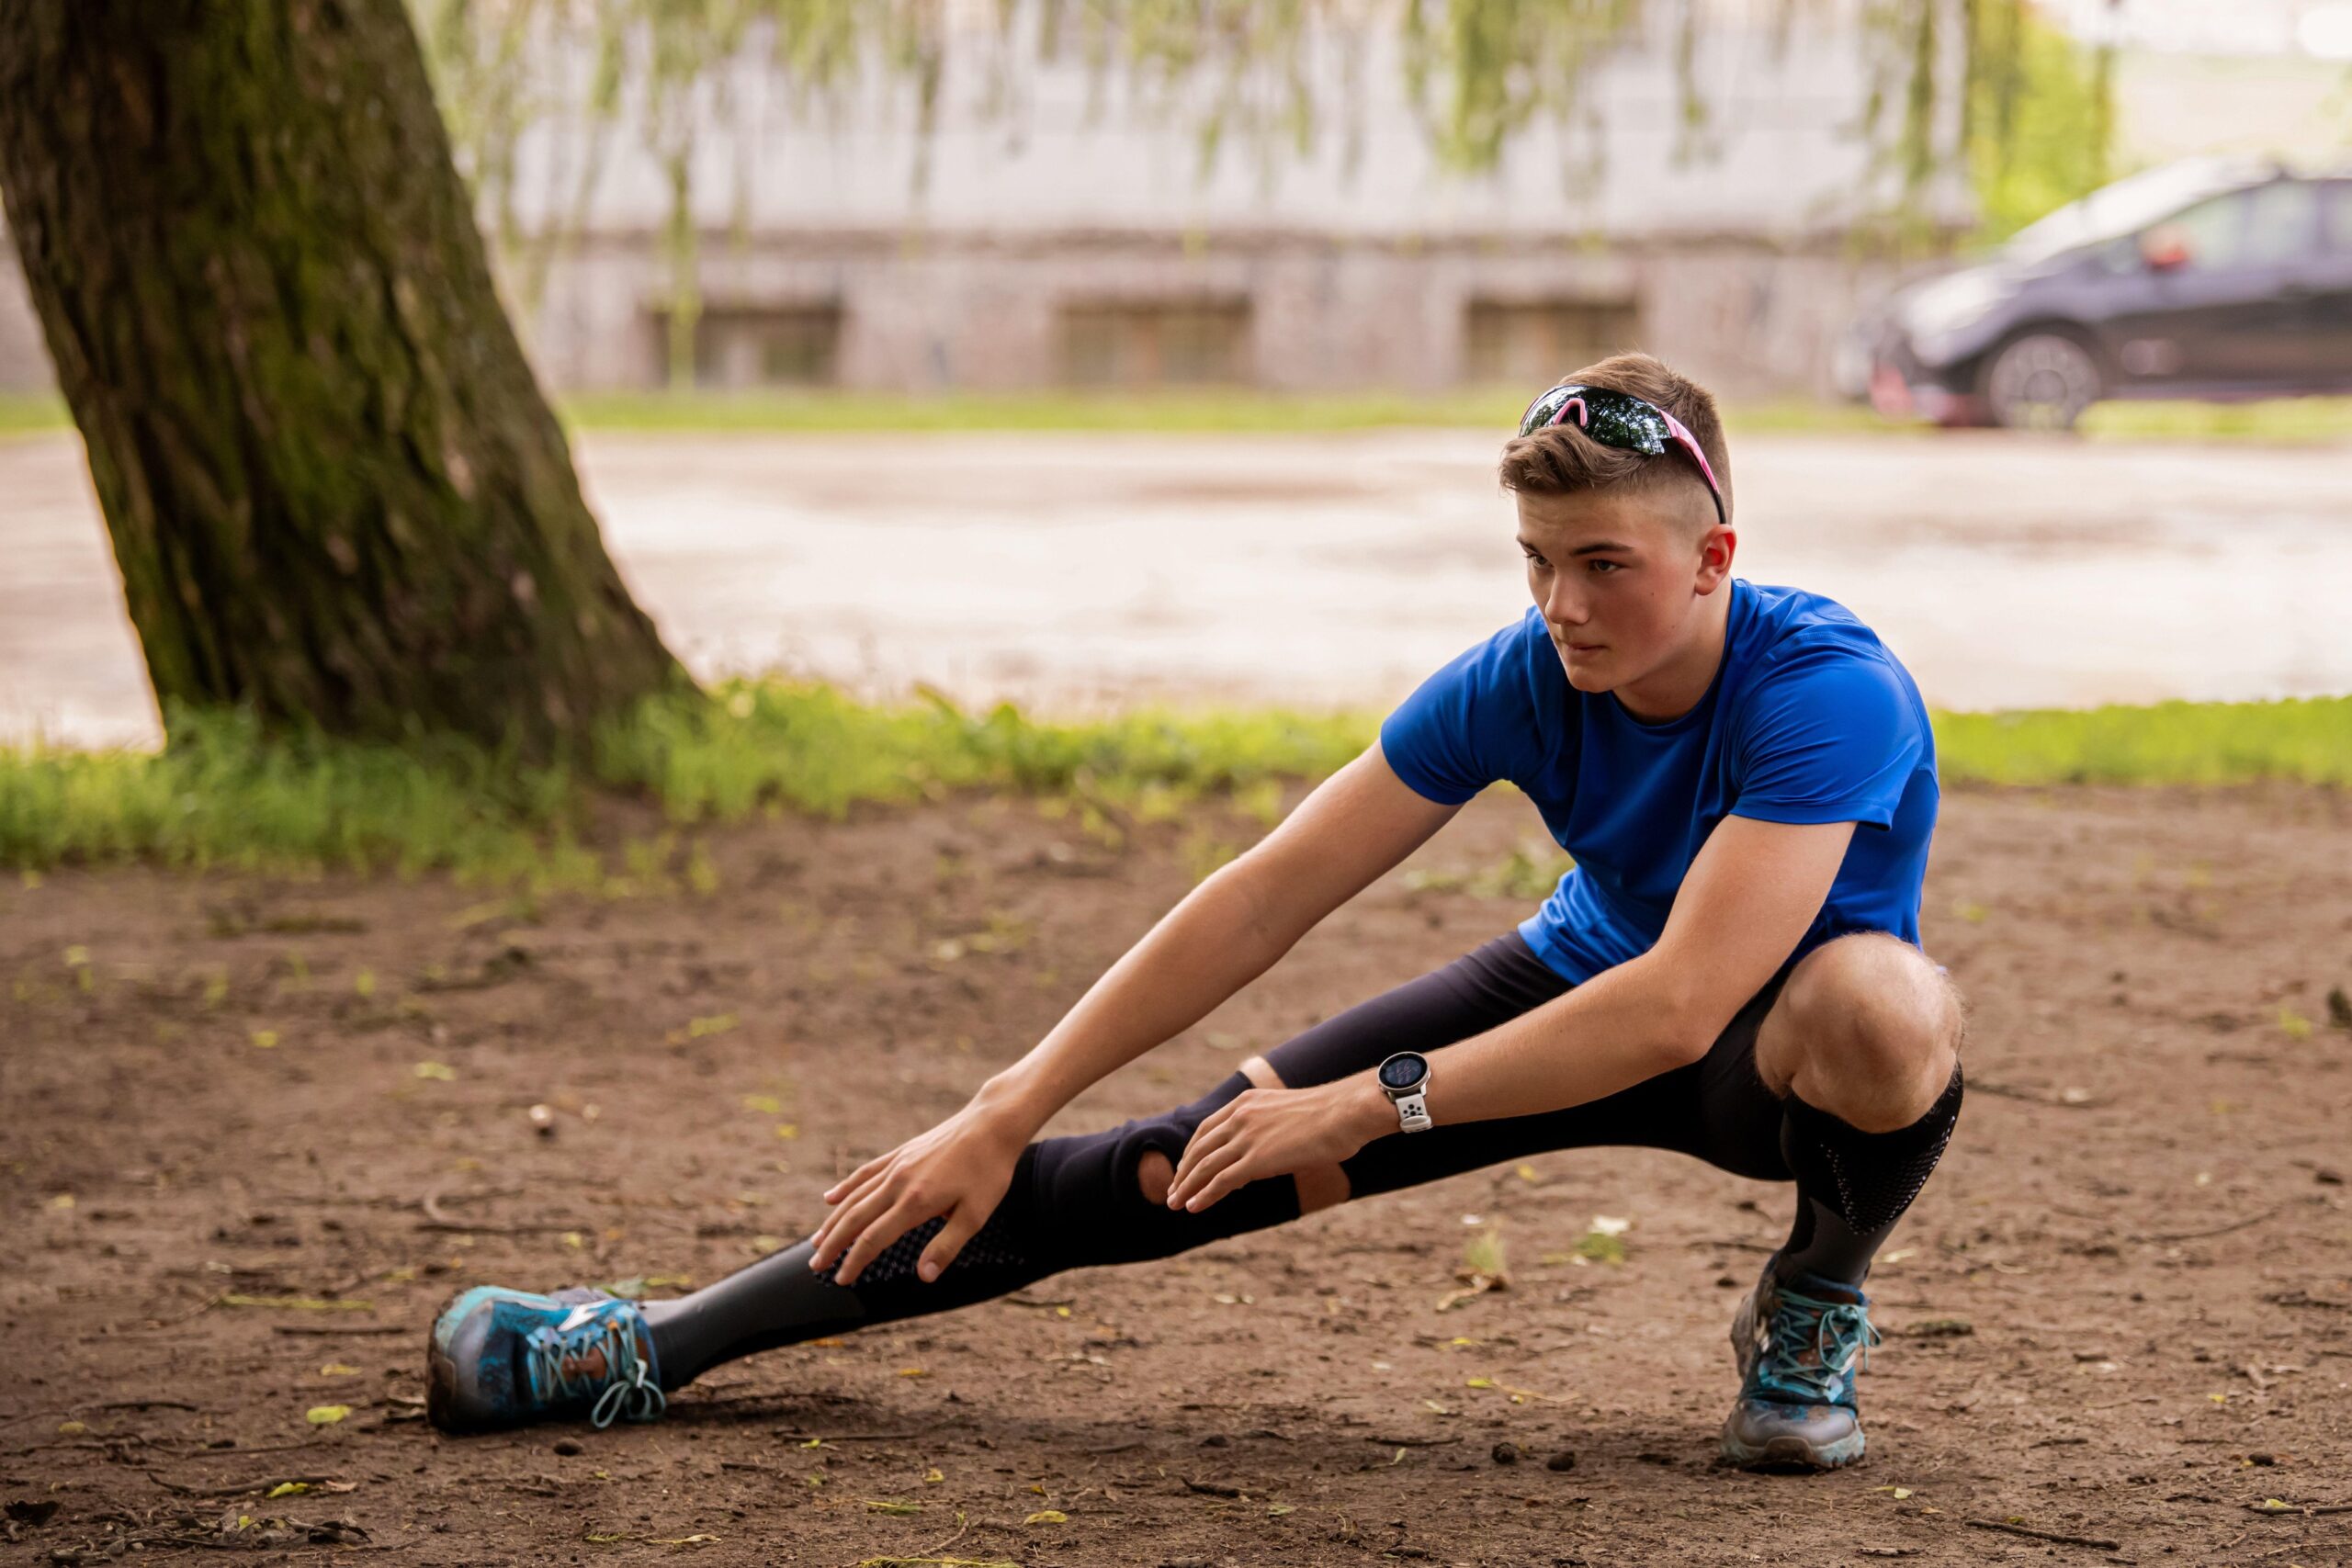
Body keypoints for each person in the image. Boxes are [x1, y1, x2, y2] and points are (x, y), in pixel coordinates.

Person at [425, 353, 1965, 1472]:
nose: (1561, 606)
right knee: (1153, 1176)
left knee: (1886, 1009)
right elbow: (1260, 899)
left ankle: (1815, 1297)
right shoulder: (1522, 678)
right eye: (1537, 563)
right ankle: (647, 1346)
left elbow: (1682, 1006)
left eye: (1604, 566)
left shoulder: (1824, 688)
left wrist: (1368, 1107)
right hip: (1561, 993)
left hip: (1755, 1063)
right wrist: (1006, 1100)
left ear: (1715, 560)